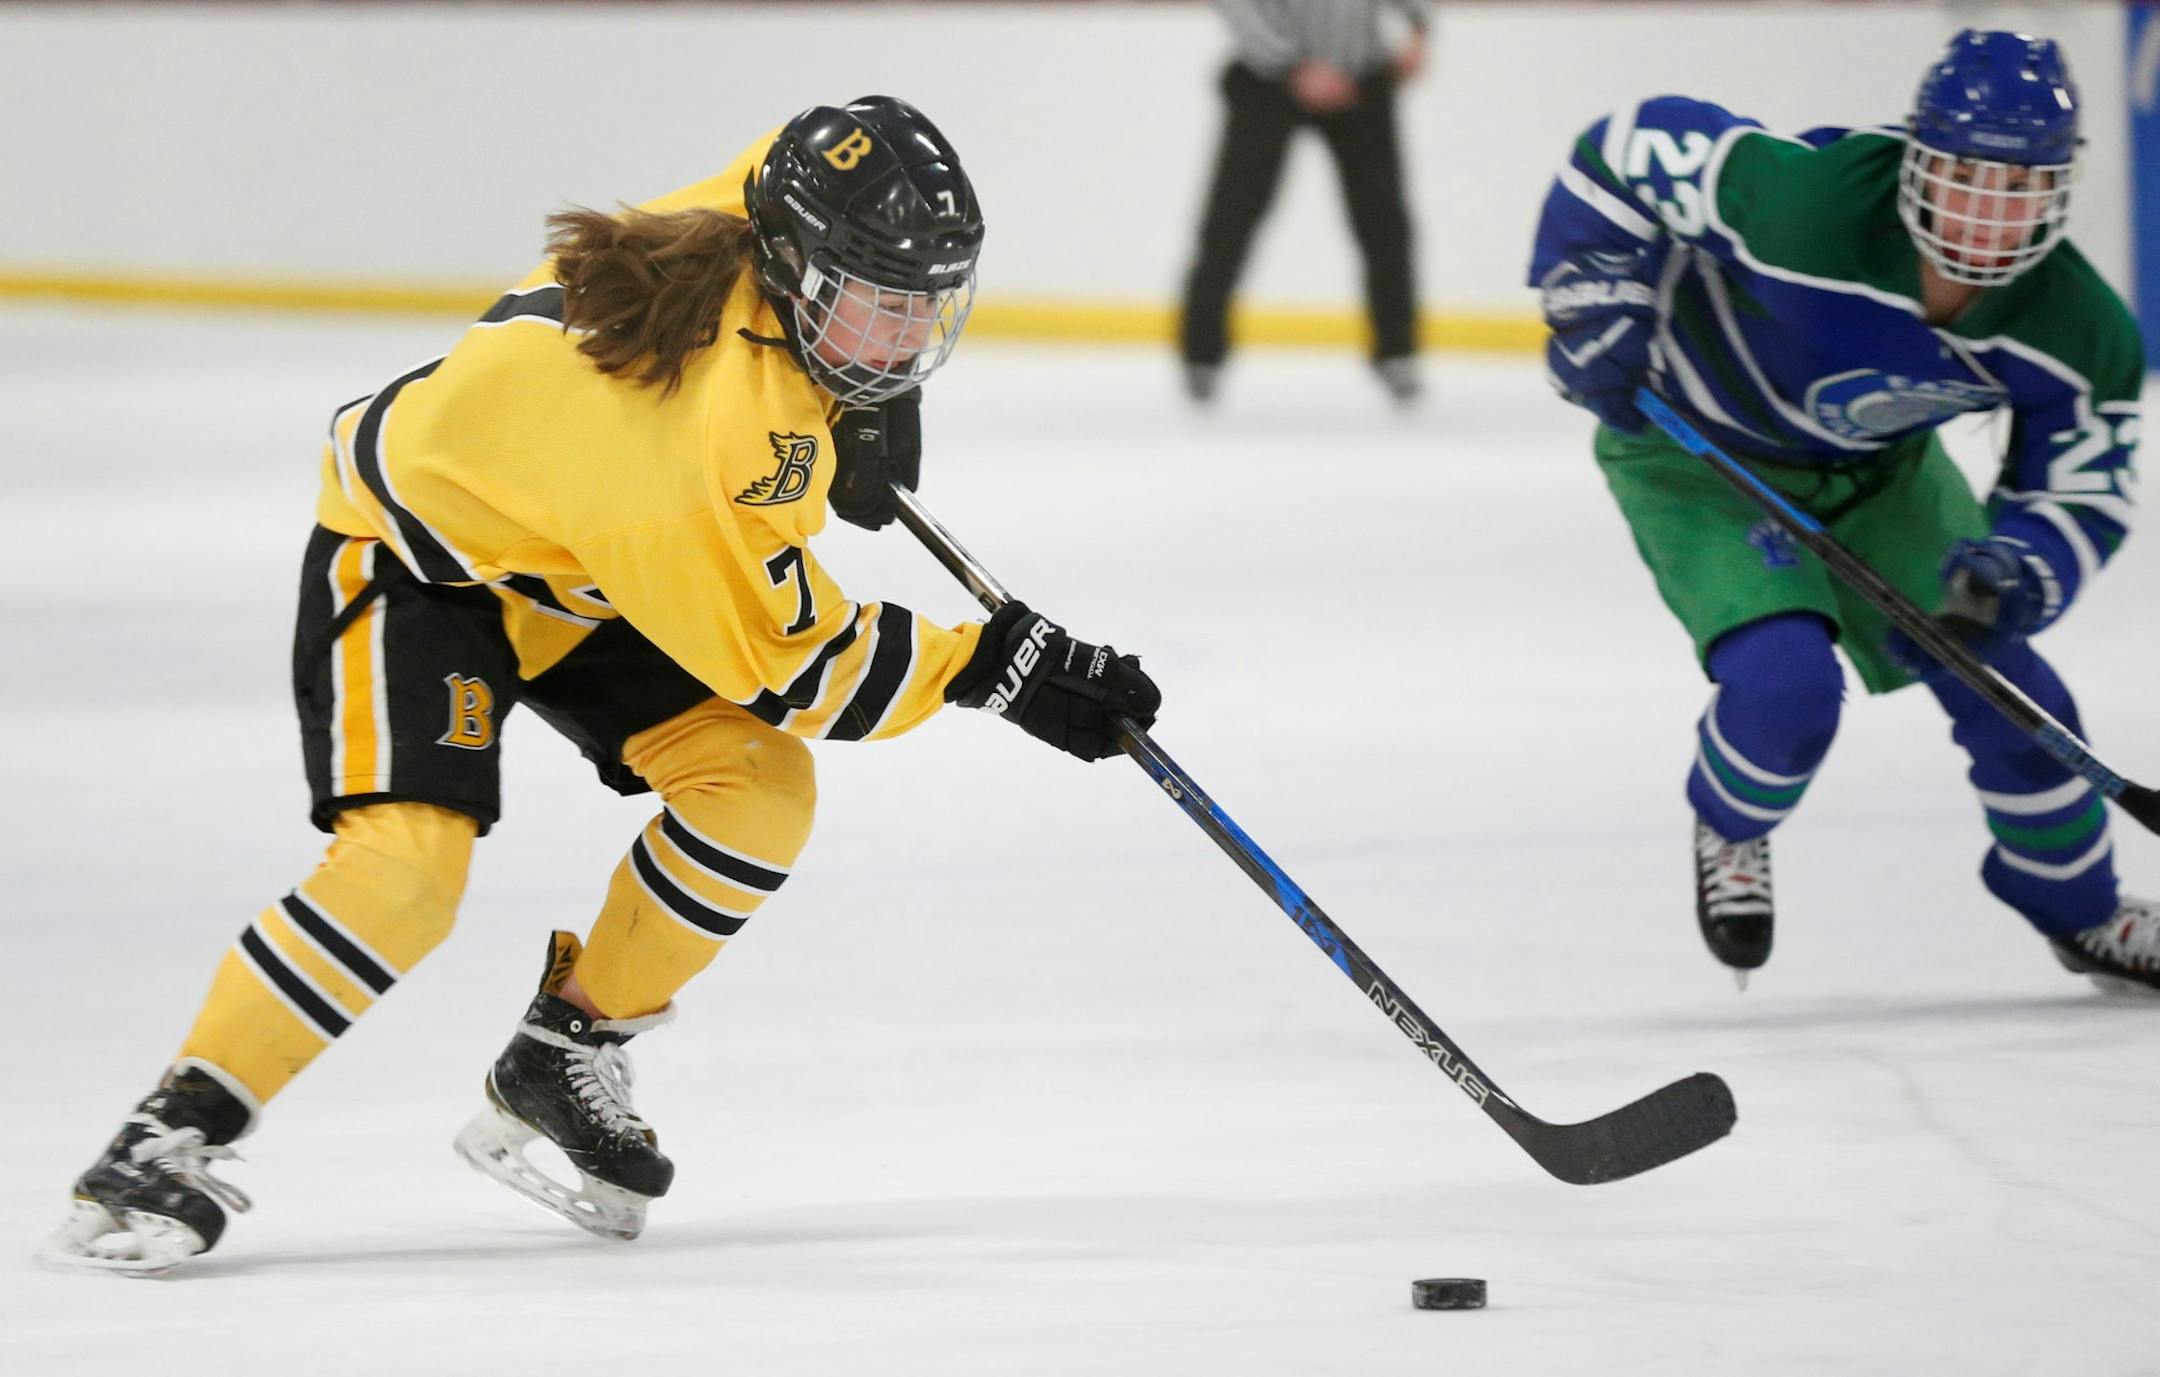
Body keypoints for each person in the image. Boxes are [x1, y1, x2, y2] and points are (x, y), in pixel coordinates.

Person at [41, 95, 1162, 1275]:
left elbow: (821, 146)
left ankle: (563, 1052)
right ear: (792, 270)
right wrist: (1003, 668)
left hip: (571, 563)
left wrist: (870, 403)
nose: (904, 336)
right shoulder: (682, 452)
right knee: (408, 872)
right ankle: (165, 1135)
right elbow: (798, 665)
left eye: (922, 310)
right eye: (882, 310)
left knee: (753, 791)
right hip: (422, 561)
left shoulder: (769, 211)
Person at [1528, 30, 2156, 993]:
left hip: (1883, 475)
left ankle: (2083, 914)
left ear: (2060, 187)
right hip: (1698, 453)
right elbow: (1628, 147)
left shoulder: (2076, 328)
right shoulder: (1807, 200)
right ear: (1916, 157)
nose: (1987, 218)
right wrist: (1593, 288)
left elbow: (2081, 488)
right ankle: (1733, 827)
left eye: (2019, 188)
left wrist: (2021, 567)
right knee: (1787, 692)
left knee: (2023, 706)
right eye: (1963, 176)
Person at [1179, 0, 1431, 406]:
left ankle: (1398, 352)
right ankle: (1201, 354)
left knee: (1385, 224)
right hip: (1267, 81)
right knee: (1229, 220)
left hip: (1360, 77)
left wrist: (1420, 31)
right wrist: (1293, 65)